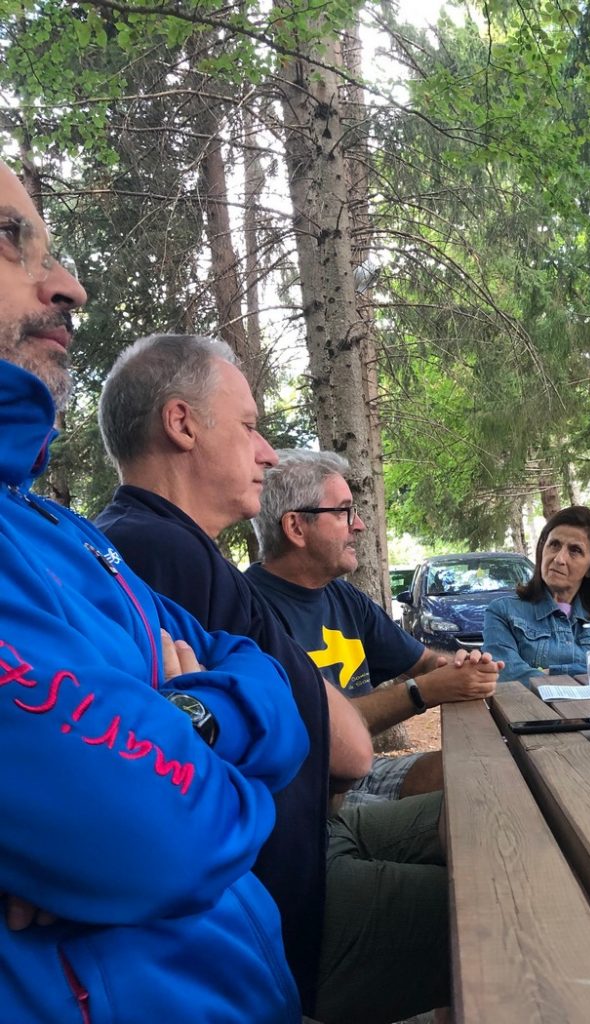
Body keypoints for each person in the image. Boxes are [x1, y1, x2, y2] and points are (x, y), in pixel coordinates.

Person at [0, 161, 309, 1020]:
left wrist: (185, 719)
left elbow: (268, 687)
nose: (69, 286)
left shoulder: (67, 535)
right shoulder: (137, 541)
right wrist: (159, 798)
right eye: (9, 239)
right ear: (181, 425)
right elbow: (163, 836)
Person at [95, 333, 447, 1024]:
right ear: (181, 423)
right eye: (250, 427)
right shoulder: (163, 553)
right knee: (524, 890)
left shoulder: (153, 548)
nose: (266, 453)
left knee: (489, 820)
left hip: (313, 839)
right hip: (289, 907)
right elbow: (348, 753)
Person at [248, 449, 501, 801]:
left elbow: (423, 661)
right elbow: (319, 730)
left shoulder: (342, 596)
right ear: (295, 527)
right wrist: (423, 691)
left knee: (483, 771)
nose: (359, 525)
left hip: (363, 774)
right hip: (306, 796)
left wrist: (460, 667)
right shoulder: (250, 611)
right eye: (343, 512)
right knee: (476, 805)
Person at [484, 505, 590, 686]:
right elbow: (507, 673)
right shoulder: (504, 611)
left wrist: (553, 672)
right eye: (554, 545)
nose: (559, 559)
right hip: (532, 706)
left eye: (575, 550)